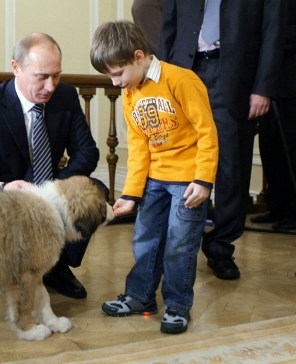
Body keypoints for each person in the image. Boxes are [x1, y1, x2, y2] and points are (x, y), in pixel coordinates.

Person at [90, 20, 218, 334]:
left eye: (117, 73)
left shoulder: (181, 80)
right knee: (145, 239)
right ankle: (140, 296)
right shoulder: (131, 93)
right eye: (109, 76)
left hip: (188, 182)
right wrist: (131, 194)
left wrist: (203, 180)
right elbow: (139, 146)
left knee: (179, 244)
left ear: (138, 56)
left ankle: (177, 307)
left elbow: (207, 132)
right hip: (154, 182)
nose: (115, 82)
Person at [0, 32, 104, 299]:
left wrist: (54, 189)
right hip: (8, 201)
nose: (51, 86)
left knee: (95, 190)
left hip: (49, 190)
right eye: (42, 76)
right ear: (16, 67)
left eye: (56, 75)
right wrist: (5, 187)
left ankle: (56, 266)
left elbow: (87, 152)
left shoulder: (66, 97)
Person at [158, 0, 286, 280]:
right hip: (184, 71)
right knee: (181, 160)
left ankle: (220, 247)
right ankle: (178, 242)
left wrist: (263, 87)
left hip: (233, 77)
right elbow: (169, 23)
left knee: (231, 169)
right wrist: (160, 79)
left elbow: (273, 30)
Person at [252, 0, 296, 231]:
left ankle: (294, 212)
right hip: (269, 82)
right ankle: (278, 205)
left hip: (289, 80)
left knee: (291, 147)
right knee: (271, 148)